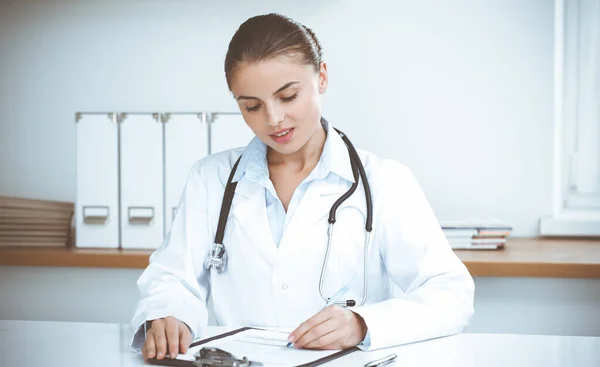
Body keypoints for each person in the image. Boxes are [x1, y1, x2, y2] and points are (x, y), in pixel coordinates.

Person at [131, 13, 475, 361]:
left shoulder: (384, 181)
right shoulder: (211, 179)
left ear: (321, 76)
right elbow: (172, 278)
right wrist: (169, 313)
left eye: (288, 96)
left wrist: (363, 323)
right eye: (252, 106)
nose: (273, 119)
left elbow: (451, 294)